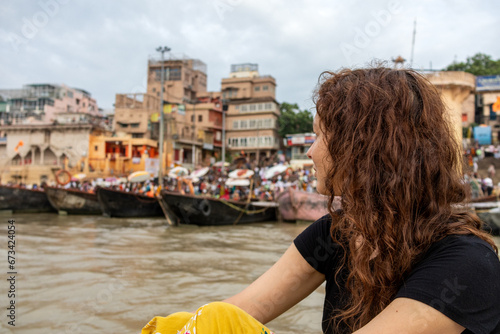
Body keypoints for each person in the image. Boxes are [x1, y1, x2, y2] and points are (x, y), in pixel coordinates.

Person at [142, 67, 500, 334]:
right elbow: (243, 308)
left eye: (319, 136)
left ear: (363, 150)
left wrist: (222, 322)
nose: (310, 152)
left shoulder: (468, 264)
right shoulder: (335, 233)